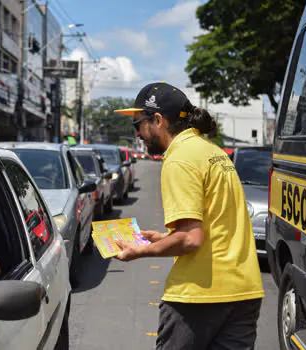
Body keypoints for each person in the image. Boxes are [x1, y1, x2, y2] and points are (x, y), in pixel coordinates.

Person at [113, 82, 264, 350]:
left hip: (199, 296)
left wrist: (139, 251)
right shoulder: (213, 152)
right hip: (245, 291)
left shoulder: (179, 157)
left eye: (137, 125)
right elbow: (216, 225)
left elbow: (191, 239)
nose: (137, 134)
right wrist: (164, 238)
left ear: (157, 120)